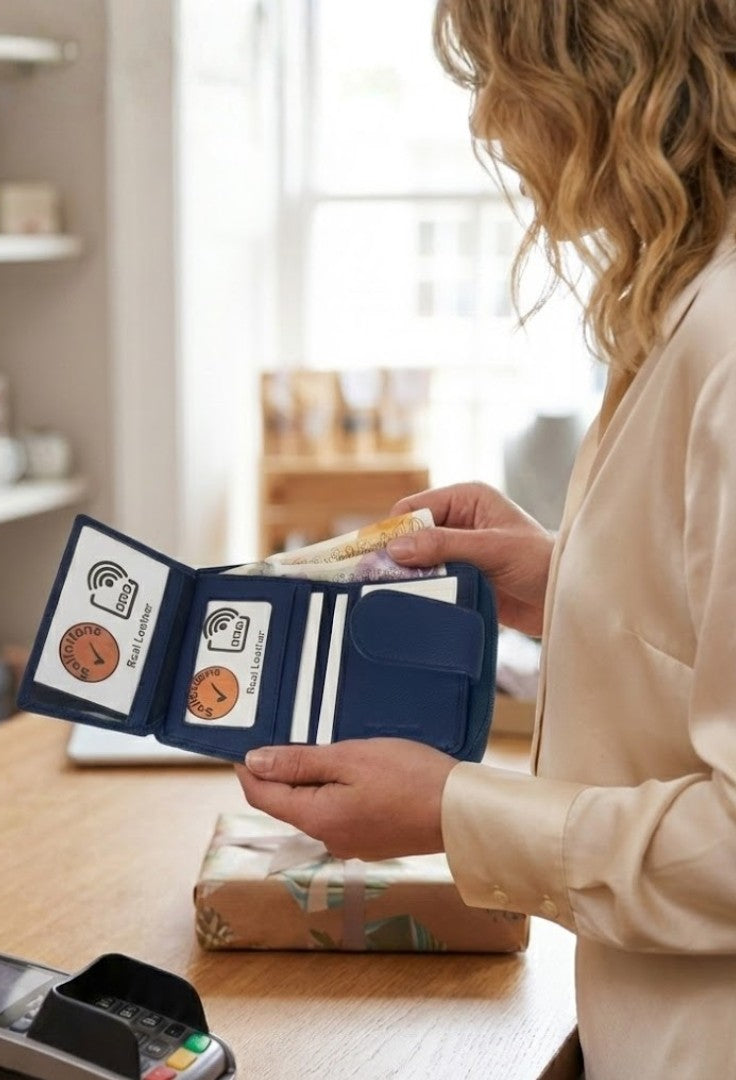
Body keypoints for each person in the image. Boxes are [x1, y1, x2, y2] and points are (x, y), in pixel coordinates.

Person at [237, 2, 736, 1077]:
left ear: (600, 79)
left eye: (498, 77)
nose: (490, 119)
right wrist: (569, 588)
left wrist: (452, 809)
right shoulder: (692, 296)